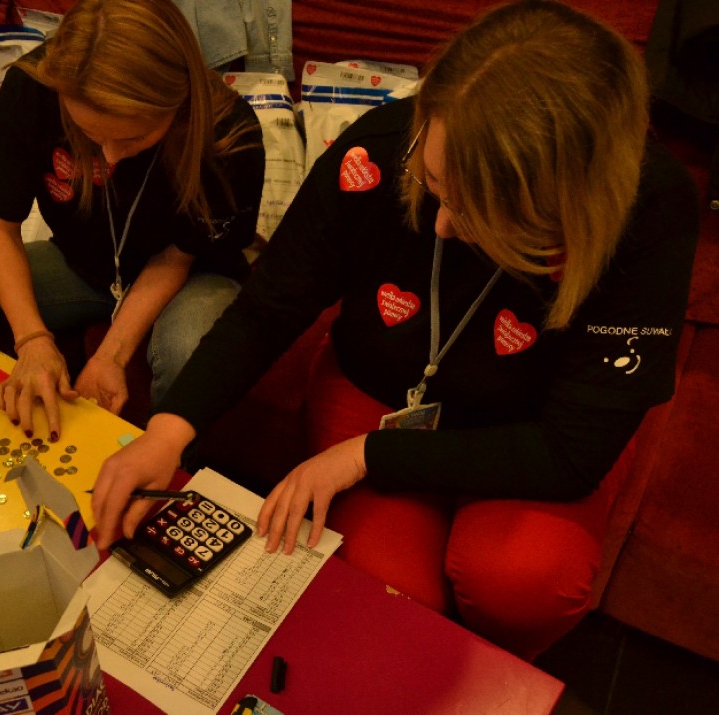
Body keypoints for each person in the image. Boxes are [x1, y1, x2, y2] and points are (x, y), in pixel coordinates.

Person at [91, 0, 699, 661]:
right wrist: (168, 430)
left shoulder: (650, 209)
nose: (440, 224)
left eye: (476, 212)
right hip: (378, 390)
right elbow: (270, 306)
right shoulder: (379, 147)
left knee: (523, 580)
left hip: (532, 429)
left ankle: (494, 666)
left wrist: (365, 455)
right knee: (389, 593)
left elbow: (569, 453)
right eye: (433, 181)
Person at [0, 0, 264, 441]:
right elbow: (0, 228)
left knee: (186, 350)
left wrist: (111, 355)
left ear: (177, 103)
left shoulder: (229, 135)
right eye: (91, 134)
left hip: (189, 273)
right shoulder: (32, 88)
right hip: (85, 263)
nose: (110, 156)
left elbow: (177, 257)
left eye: (133, 137)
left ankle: (165, 473)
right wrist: (32, 341)